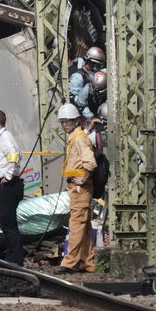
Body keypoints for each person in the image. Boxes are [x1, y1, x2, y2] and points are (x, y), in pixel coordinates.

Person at [54, 103, 97, 275]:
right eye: (63, 122)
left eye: (68, 121)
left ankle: (69, 263)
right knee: (84, 226)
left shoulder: (79, 138)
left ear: (76, 120)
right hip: (76, 187)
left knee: (76, 224)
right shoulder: (75, 137)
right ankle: (88, 263)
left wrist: (83, 178)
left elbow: (90, 162)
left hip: (80, 188)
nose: (65, 125)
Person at [0, 110, 24, 265]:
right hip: (4, 183)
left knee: (9, 224)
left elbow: (14, 155)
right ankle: (12, 252)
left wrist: (8, 176)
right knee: (6, 223)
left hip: (7, 185)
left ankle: (15, 257)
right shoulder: (1, 138)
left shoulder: (5, 138)